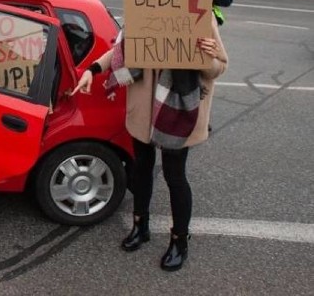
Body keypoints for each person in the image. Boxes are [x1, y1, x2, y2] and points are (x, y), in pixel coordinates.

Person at [71, 19, 227, 272]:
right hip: (143, 110)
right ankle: (140, 225)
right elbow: (123, 50)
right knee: (142, 167)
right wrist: (93, 68)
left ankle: (179, 240)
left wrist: (206, 57)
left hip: (177, 114)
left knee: (175, 176)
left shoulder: (199, 15)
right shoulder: (143, 11)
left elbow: (219, 67)